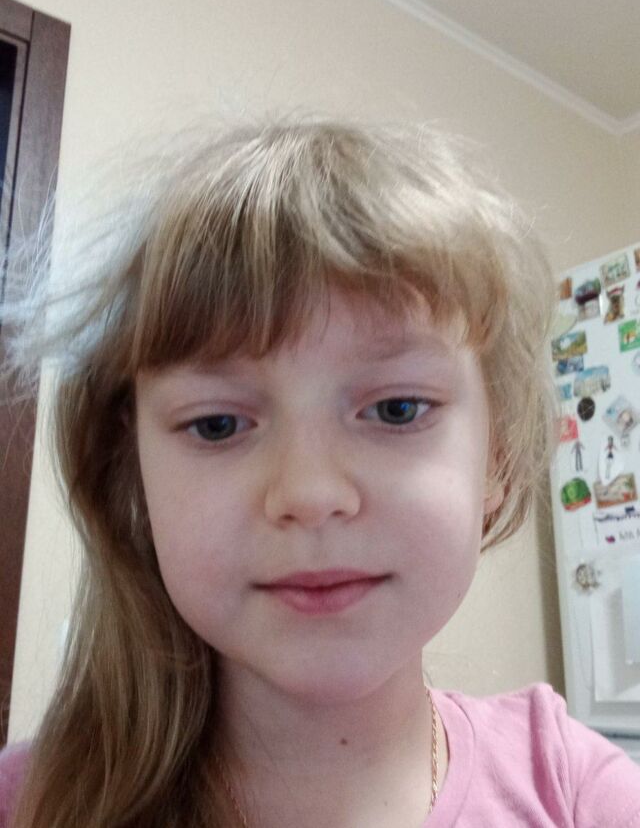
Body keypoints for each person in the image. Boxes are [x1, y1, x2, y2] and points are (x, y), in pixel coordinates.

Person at [1, 115, 639, 828]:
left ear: (497, 458)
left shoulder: (579, 793)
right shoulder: (28, 804)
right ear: (136, 475)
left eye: (397, 409)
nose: (310, 494)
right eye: (217, 424)